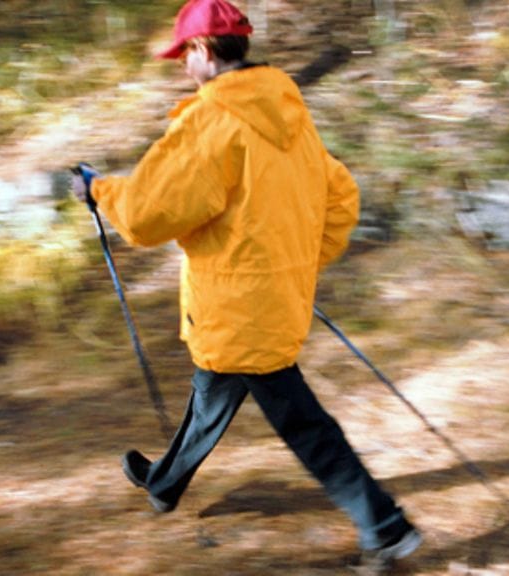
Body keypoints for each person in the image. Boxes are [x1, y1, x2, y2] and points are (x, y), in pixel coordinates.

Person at [71, 0, 420, 572]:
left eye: (185, 54)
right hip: (270, 298)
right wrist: (298, 261)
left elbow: (146, 214)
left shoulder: (213, 121)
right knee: (213, 390)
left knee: (300, 421)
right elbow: (341, 199)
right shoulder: (290, 115)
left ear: (205, 52)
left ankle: (386, 528)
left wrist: (101, 191)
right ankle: (164, 483)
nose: (184, 66)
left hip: (236, 305)